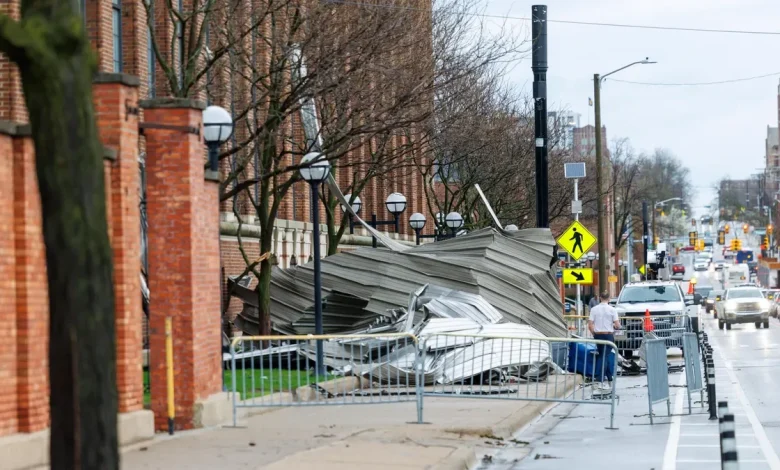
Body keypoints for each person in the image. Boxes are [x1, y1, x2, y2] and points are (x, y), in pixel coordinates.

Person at [588, 291, 621, 382]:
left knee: (603, 354)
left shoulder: (594, 309)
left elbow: (590, 324)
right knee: (605, 355)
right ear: (609, 299)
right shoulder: (612, 310)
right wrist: (616, 326)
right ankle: (601, 376)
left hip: (598, 335)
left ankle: (608, 375)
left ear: (600, 298)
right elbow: (617, 325)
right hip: (608, 335)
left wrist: (594, 333)